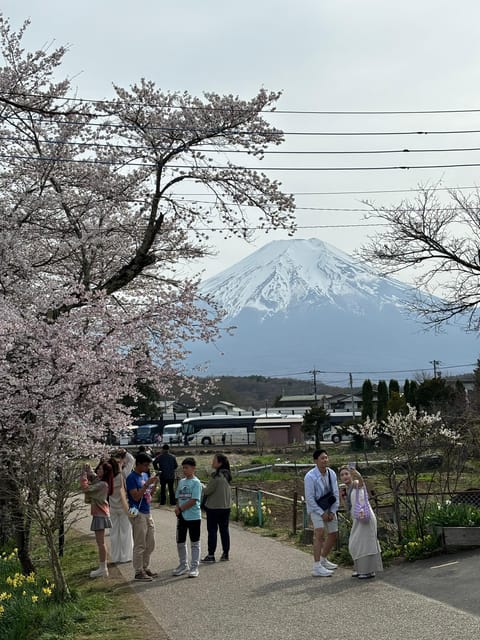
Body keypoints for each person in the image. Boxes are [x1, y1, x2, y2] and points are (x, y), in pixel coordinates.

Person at [339, 465, 383, 579]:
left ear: (351, 475)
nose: (344, 477)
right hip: (357, 519)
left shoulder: (356, 484)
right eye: (342, 475)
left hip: (366, 518)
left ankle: (368, 570)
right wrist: (342, 497)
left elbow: (361, 483)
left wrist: (357, 474)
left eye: (346, 474)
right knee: (356, 543)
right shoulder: (347, 490)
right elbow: (348, 509)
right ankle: (361, 569)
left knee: (365, 543)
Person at [304, 449, 339, 577]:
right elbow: (310, 498)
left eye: (326, 458)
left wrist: (333, 511)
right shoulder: (310, 476)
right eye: (322, 458)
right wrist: (321, 513)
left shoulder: (331, 474)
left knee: (333, 533)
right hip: (315, 508)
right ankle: (317, 565)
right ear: (315, 461)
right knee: (319, 532)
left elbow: (335, 493)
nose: (325, 460)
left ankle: (324, 559)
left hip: (329, 506)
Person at [125, 452, 159, 581]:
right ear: (137, 464)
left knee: (150, 542)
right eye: (145, 465)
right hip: (137, 512)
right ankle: (138, 571)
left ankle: (145, 567)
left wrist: (154, 483)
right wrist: (146, 484)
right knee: (140, 543)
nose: (146, 468)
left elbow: (150, 494)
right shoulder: (131, 478)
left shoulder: (145, 475)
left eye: (148, 465)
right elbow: (136, 496)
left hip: (147, 510)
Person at [80, 460, 115, 578]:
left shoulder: (102, 485)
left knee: (101, 543)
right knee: (100, 543)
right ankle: (102, 567)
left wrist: (84, 476)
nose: (97, 471)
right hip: (100, 514)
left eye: (100, 469)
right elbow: (94, 478)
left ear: (104, 472)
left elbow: (86, 488)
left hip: (100, 514)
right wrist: (89, 470)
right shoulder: (102, 482)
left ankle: (103, 568)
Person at [173, 457, 202, 578]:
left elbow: (194, 500)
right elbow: (178, 497)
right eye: (183, 468)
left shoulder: (196, 482)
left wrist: (181, 508)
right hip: (182, 517)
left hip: (194, 516)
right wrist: (177, 508)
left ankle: (194, 566)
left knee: (194, 542)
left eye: (187, 468)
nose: (184, 470)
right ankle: (183, 564)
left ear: (193, 468)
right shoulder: (181, 482)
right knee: (180, 541)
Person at [201, 453, 232, 563]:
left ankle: (211, 555)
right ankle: (225, 553)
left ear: (219, 463)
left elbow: (207, 491)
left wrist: (201, 485)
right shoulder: (227, 475)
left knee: (212, 531)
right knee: (224, 530)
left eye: (214, 460)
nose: (212, 462)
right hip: (226, 507)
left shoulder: (216, 476)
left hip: (214, 507)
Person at [108, 454, 133, 564]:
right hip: (123, 506)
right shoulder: (123, 475)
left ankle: (115, 557)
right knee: (125, 531)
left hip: (112, 507)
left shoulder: (108, 478)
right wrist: (125, 454)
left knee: (114, 533)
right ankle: (125, 556)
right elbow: (132, 460)